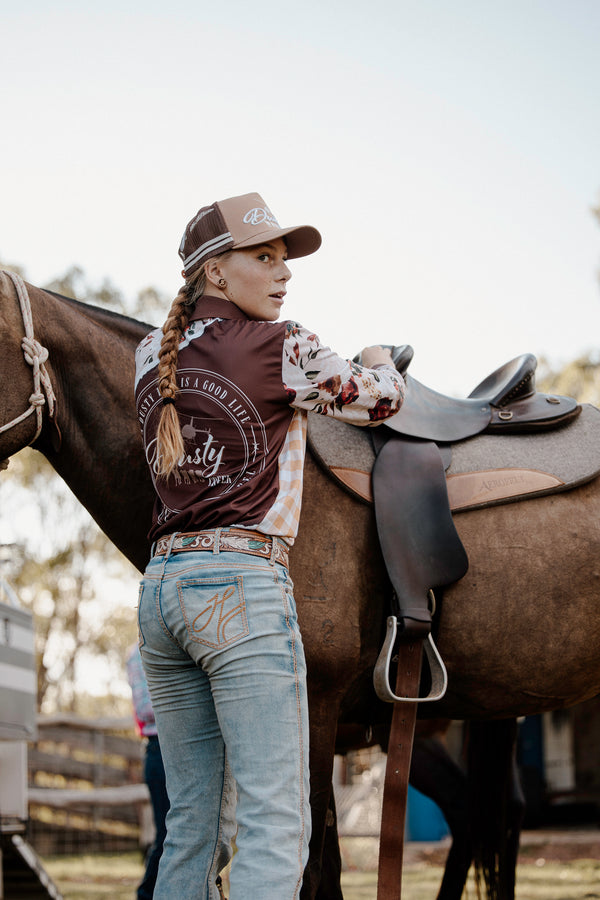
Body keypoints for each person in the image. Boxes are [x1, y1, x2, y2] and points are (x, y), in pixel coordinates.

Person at [134, 191, 405, 900]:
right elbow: (378, 399)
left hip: (161, 593)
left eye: (284, 261)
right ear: (216, 274)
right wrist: (379, 357)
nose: (283, 274)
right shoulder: (283, 345)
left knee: (192, 823)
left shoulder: (146, 358)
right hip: (239, 588)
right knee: (275, 818)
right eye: (263, 257)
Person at [126, 642, 170, 900]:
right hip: (159, 749)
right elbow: (144, 708)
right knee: (167, 833)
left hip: (180, 747)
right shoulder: (138, 653)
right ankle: (146, 894)